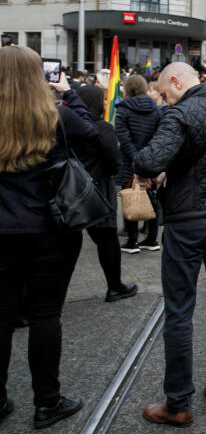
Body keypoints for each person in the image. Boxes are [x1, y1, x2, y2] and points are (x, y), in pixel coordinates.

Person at [133, 62, 206, 427]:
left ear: (177, 82)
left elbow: (148, 159)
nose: (164, 100)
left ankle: (178, 403)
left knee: (180, 311)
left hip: (189, 221)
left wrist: (148, 166)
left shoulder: (178, 115)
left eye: (165, 93)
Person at [0, 47, 99, 429]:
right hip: (49, 232)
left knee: (2, 318)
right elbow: (94, 132)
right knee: (46, 316)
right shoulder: (56, 116)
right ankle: (46, 401)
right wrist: (69, 90)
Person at [75, 82, 138, 302]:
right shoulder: (101, 129)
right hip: (98, 191)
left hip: (68, 192)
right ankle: (115, 286)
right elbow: (113, 163)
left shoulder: (65, 125)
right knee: (107, 241)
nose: (105, 103)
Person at [115, 75, 163, 252]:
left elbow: (123, 139)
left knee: (130, 196)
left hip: (130, 162)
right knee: (152, 199)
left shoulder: (123, 110)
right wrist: (147, 158)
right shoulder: (156, 110)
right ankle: (152, 239)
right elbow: (159, 137)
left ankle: (132, 241)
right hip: (150, 160)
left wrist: (136, 160)